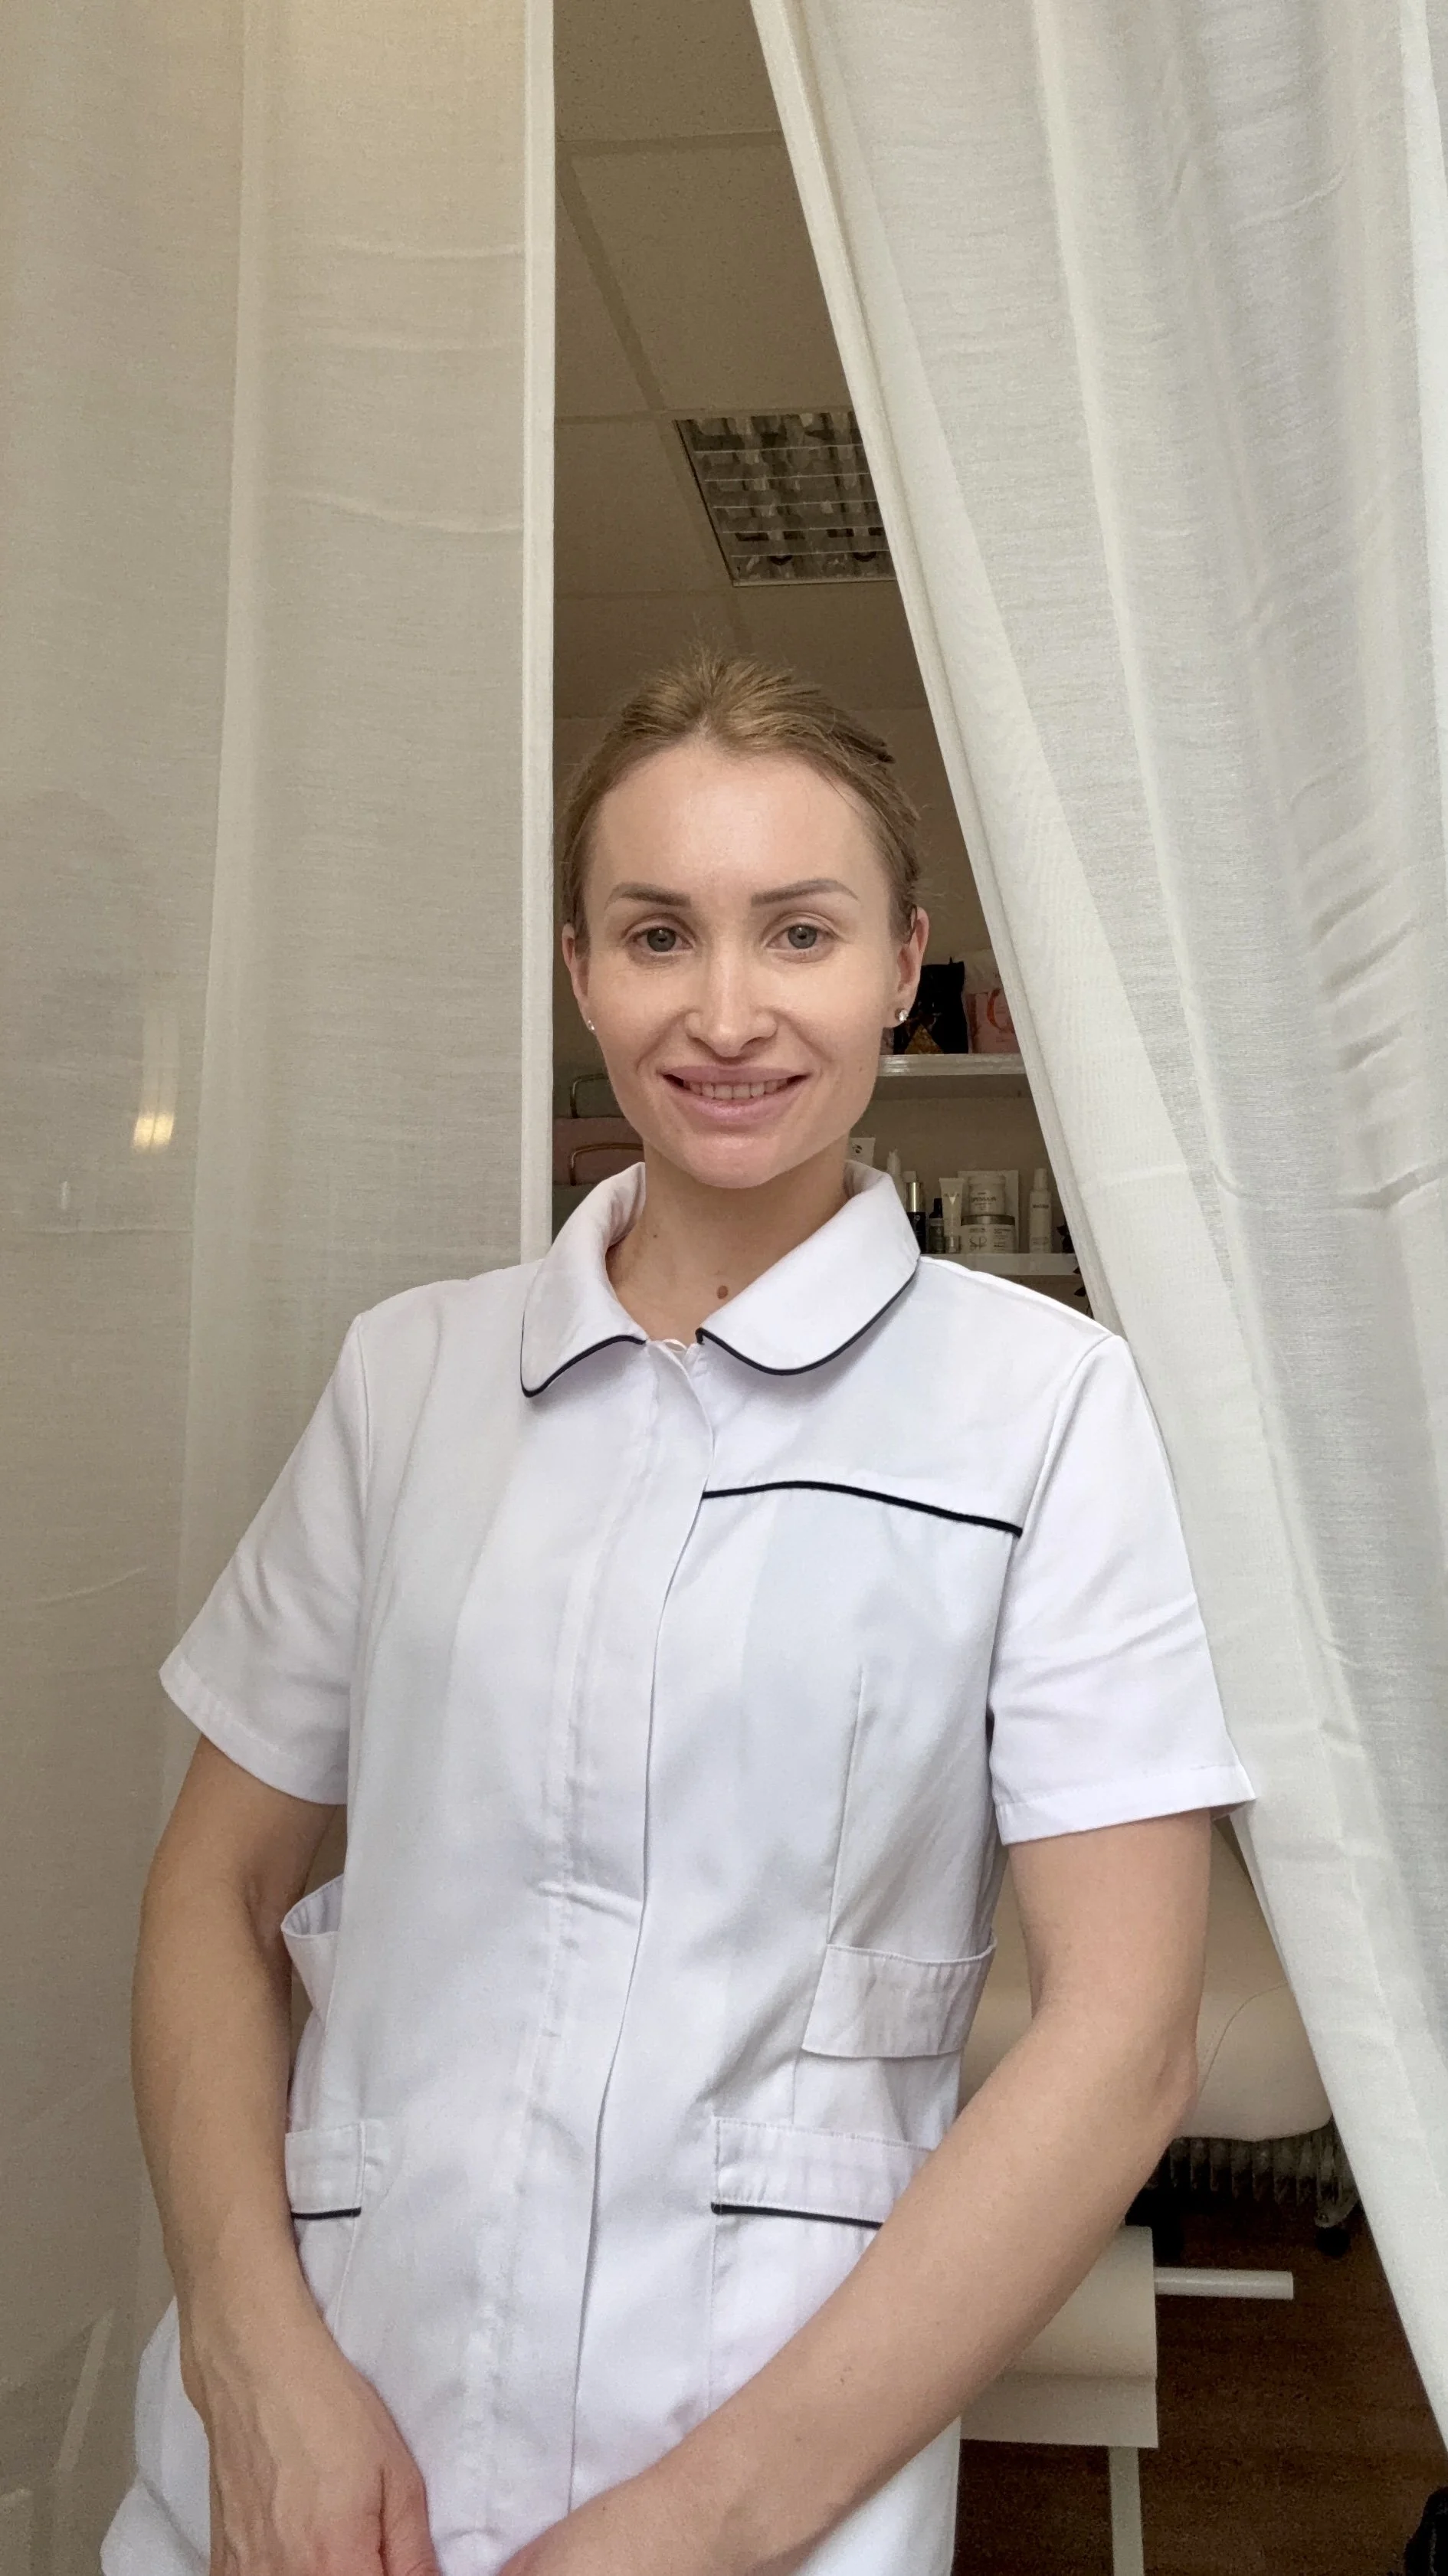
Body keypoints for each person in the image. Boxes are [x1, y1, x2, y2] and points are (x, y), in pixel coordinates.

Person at [105, 651, 1252, 2576]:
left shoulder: (1044, 1407)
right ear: (579, 971)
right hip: (320, 2446)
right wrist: (250, 2362)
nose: (726, 1013)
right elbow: (207, 1893)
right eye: (658, 934)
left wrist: (695, 2529)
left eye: (797, 931)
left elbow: (1124, 2037)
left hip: (760, 2462)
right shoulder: (413, 1381)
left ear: (902, 962)